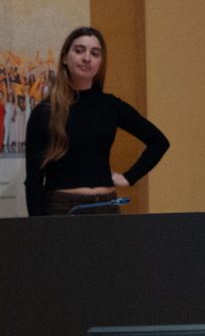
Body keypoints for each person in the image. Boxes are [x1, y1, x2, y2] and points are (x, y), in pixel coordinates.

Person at [24, 27, 169, 215]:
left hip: (107, 207)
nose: (87, 58)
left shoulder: (111, 105)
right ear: (65, 58)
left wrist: (129, 177)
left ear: (100, 62)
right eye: (79, 50)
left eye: (95, 53)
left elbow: (159, 142)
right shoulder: (46, 111)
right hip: (63, 208)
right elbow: (34, 179)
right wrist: (37, 227)